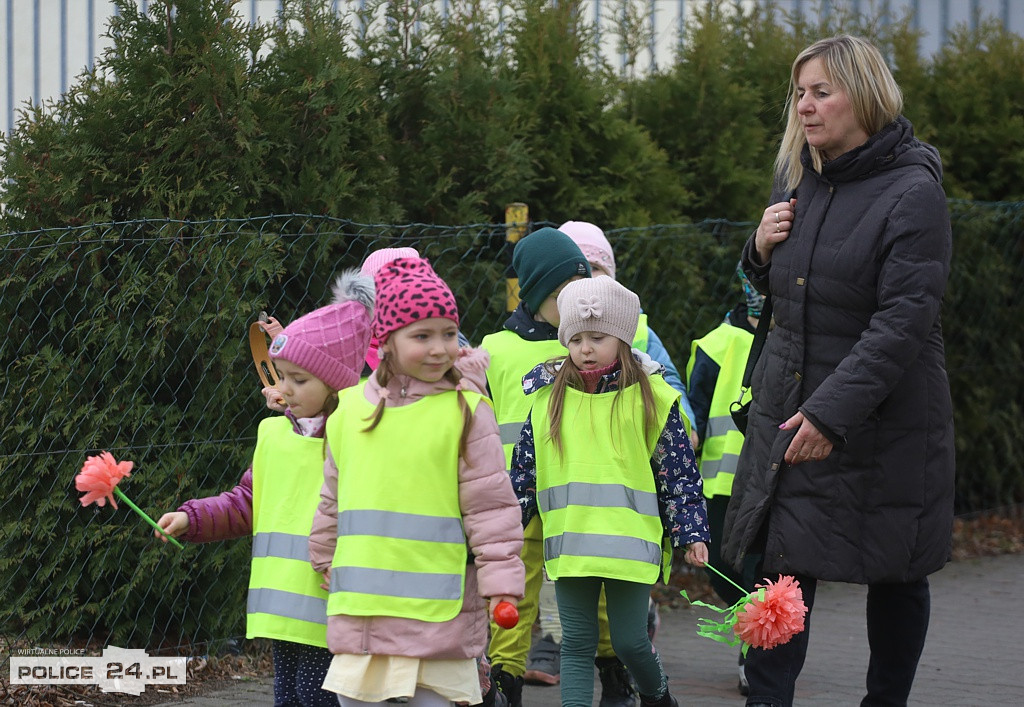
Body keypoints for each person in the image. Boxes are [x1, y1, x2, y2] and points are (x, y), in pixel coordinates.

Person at [722, 35, 955, 707]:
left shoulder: (914, 191)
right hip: (787, 399)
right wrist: (758, 250)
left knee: (898, 570)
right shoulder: (797, 175)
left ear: (867, 96)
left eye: (823, 91)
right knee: (778, 566)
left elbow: (904, 320)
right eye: (799, 93)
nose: (806, 107)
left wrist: (831, 412)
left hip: (887, 420)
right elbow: (778, 295)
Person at [308, 256, 525, 705]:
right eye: (421, 335)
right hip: (365, 609)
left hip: (437, 617)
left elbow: (491, 506)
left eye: (448, 333)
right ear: (384, 341)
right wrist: (323, 553)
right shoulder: (349, 410)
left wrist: (501, 581)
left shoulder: (466, 410)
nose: (439, 348)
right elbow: (333, 495)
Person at [155, 270, 375, 707]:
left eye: (299, 380)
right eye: (282, 375)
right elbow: (247, 502)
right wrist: (192, 516)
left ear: (337, 384)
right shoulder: (273, 437)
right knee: (288, 700)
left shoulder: (355, 442)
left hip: (331, 614)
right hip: (282, 616)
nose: (283, 388)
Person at [509, 276, 710, 707]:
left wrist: (691, 532)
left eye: (597, 337)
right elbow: (523, 471)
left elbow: (678, 473)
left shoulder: (653, 397)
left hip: (630, 548)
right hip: (571, 545)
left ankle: (658, 696)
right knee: (577, 644)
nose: (584, 348)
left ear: (621, 335)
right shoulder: (546, 399)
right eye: (575, 338)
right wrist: (507, 529)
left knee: (630, 642)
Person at [478, 226, 591, 706]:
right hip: (513, 502)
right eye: (564, 294)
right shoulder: (494, 351)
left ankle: (615, 674)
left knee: (592, 595)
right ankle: (504, 684)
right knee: (513, 594)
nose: (575, 306)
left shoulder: (589, 346)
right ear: (538, 294)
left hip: (579, 496)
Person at [685, 263, 764, 696]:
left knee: (760, 564)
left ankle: (758, 648)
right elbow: (694, 404)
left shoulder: (792, 338)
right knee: (718, 566)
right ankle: (755, 619)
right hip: (718, 482)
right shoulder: (718, 344)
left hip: (769, 482)